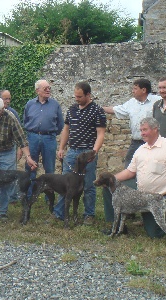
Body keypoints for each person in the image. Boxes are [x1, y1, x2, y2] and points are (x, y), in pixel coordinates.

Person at [104, 117, 166, 237]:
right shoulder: (140, 149)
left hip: (159, 197)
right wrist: (110, 179)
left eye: (145, 130)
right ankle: (118, 227)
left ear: (155, 129)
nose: (142, 133)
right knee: (108, 188)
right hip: (141, 195)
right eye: (141, 130)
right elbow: (130, 172)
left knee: (155, 234)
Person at [102, 79, 161, 225]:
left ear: (144, 90)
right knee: (129, 174)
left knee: (150, 175)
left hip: (152, 143)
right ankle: (130, 209)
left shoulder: (157, 100)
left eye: (135, 88)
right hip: (136, 143)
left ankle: (149, 209)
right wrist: (99, 108)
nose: (132, 91)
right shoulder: (131, 103)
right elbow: (116, 109)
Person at [52, 81, 107, 225]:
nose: (77, 99)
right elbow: (66, 129)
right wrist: (61, 148)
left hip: (87, 153)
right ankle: (60, 213)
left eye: (80, 96)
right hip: (72, 152)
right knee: (66, 184)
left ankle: (89, 215)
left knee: (88, 185)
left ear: (88, 95)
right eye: (75, 96)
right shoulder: (72, 109)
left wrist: (94, 152)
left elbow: (100, 133)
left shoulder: (97, 110)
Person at [23, 79, 64, 202]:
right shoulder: (30, 104)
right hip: (33, 138)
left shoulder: (55, 105)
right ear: (37, 90)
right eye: (45, 88)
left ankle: (49, 198)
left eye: (49, 88)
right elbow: (25, 121)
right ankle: (29, 196)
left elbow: (60, 124)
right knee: (30, 167)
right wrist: (32, 134)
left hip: (49, 138)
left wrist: (50, 134)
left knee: (49, 169)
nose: (48, 90)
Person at [0, 89, 22, 203]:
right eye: (5, 98)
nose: (8, 101)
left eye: (9, 99)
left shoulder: (13, 113)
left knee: (11, 173)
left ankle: (12, 197)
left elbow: (19, 133)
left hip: (10, 148)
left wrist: (19, 149)